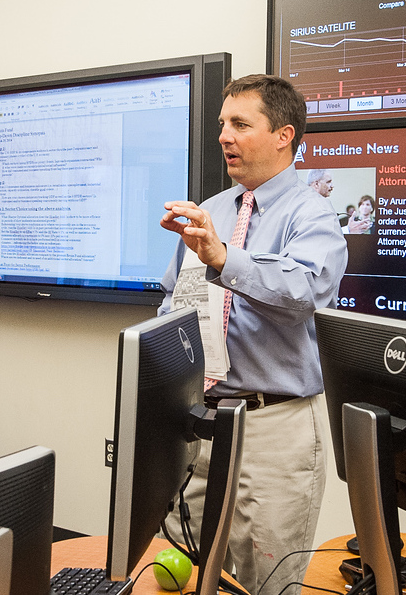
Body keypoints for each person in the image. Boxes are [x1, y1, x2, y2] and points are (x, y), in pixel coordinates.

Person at [158, 74, 347, 595]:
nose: (224, 136)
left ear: (283, 135)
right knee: (176, 568)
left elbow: (306, 291)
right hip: (199, 421)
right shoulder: (212, 210)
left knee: (268, 579)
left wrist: (223, 258)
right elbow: (174, 302)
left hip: (274, 426)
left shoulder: (313, 214)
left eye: (241, 124)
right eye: (223, 124)